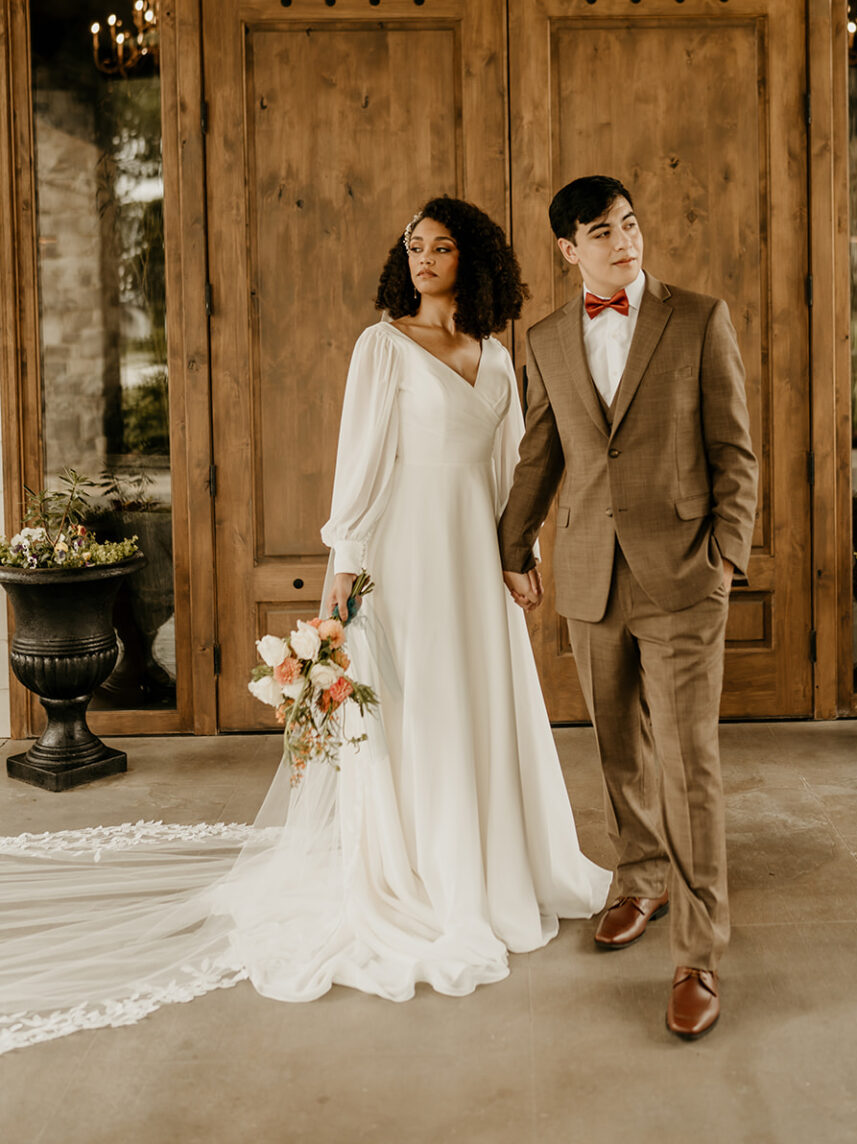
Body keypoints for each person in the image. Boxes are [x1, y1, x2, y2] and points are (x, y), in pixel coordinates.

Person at [0, 196, 609, 1054]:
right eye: (414, 247)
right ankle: (428, 880)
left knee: (482, 711)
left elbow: (516, 471)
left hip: (477, 569)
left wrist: (524, 553)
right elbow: (360, 471)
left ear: (472, 259)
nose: (426, 259)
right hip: (405, 570)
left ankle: (497, 870)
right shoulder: (382, 347)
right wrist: (343, 584)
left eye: (442, 247)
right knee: (419, 718)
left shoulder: (499, 358)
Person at [499, 176, 757, 1041]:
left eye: (632, 225)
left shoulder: (698, 319)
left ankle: (697, 952)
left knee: (690, 765)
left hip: (685, 573)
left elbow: (735, 452)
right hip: (589, 577)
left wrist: (725, 558)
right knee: (618, 748)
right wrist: (511, 545)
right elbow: (540, 454)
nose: (625, 242)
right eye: (603, 233)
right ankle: (639, 879)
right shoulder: (542, 340)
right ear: (569, 250)